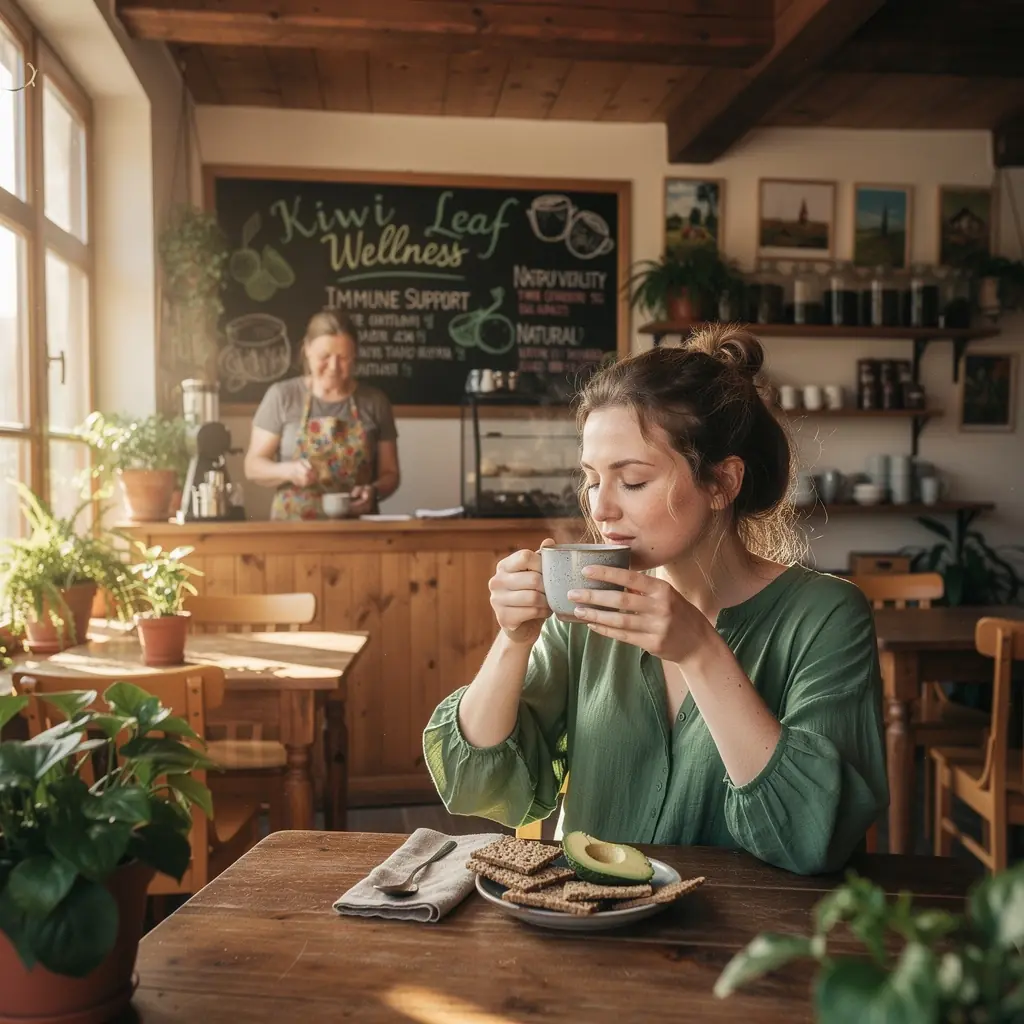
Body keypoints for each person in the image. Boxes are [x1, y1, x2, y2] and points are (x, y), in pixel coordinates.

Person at [423, 325, 888, 875]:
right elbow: (478, 784)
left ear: (722, 483)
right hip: (592, 931)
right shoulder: (584, 607)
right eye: (593, 480)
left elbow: (815, 837)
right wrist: (514, 639)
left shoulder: (826, 617)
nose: (601, 509)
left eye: (634, 481)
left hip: (751, 944)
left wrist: (700, 651)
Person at [244, 309, 400, 520]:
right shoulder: (282, 396)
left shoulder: (375, 402)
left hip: (357, 533)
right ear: (307, 349)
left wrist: (373, 491)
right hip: (293, 535)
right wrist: (288, 471)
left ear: (354, 355)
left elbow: (390, 474)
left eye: (343, 357)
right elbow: (253, 466)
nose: (334, 367)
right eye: (324, 357)